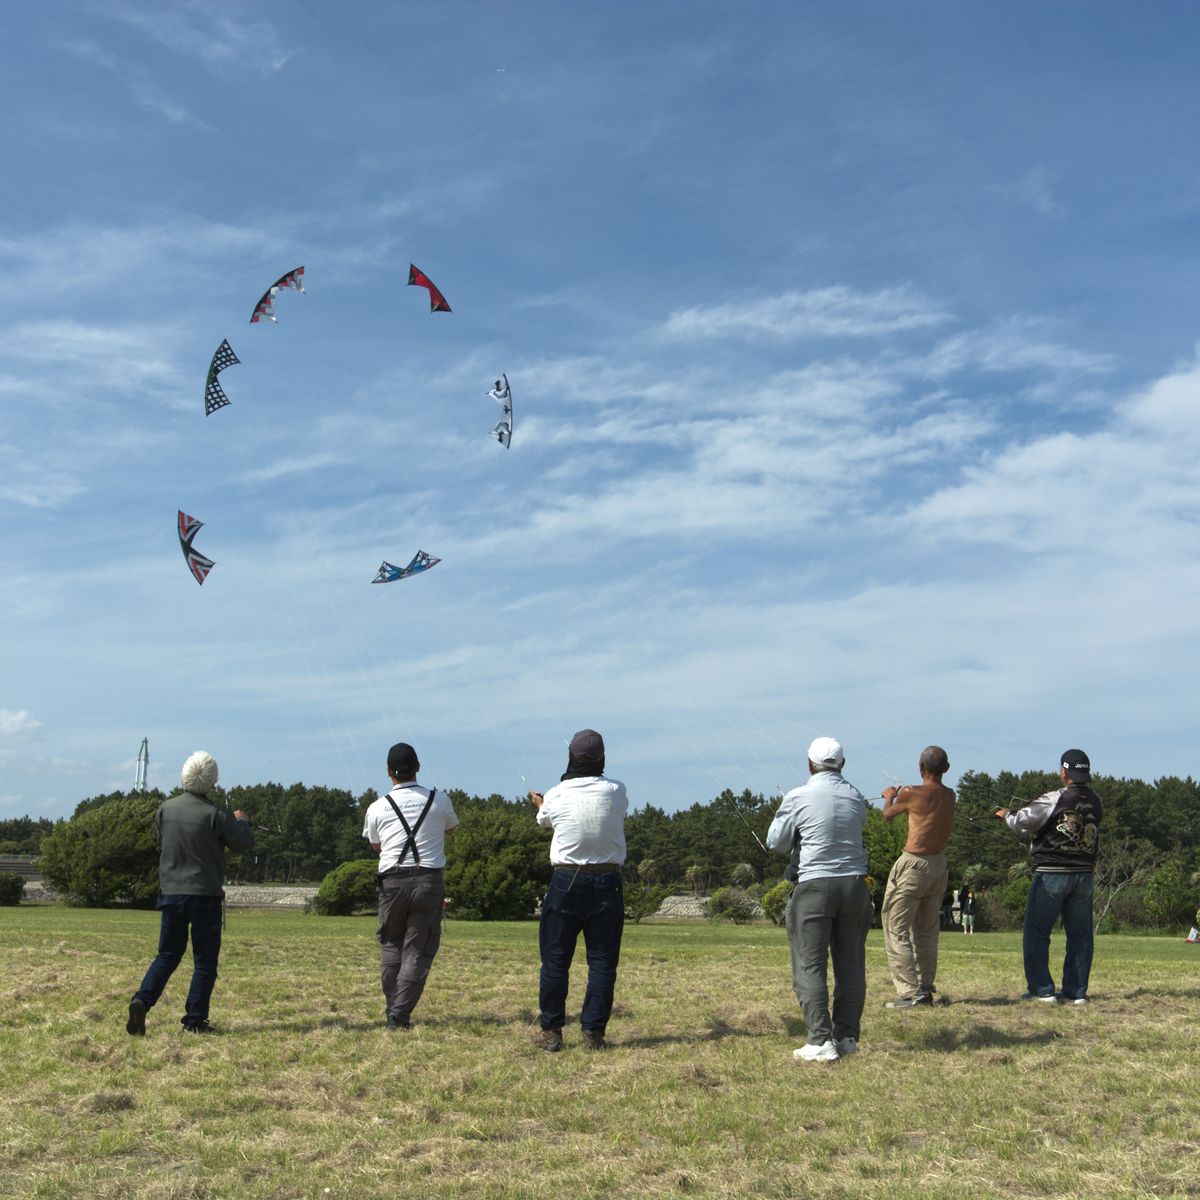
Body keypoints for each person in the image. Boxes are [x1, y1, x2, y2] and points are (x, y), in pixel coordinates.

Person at [126, 751, 254, 1036]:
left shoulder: (165, 809)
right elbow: (243, 844)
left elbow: (162, 840)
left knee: (167, 954)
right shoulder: (217, 814)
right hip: (205, 895)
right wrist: (242, 822)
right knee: (204, 962)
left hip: (171, 892)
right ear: (212, 782)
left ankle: (142, 1000)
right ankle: (194, 1020)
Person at [767, 736, 872, 1063]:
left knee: (810, 964)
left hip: (813, 884)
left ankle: (820, 1040)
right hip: (855, 886)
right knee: (851, 964)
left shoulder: (797, 796)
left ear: (809, 764)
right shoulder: (856, 796)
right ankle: (846, 1037)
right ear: (842, 763)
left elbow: (776, 842)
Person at [528, 729, 628, 1052]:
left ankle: (551, 1032)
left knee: (555, 960)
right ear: (602, 758)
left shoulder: (556, 794)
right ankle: (593, 1034)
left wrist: (541, 804)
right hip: (608, 881)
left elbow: (544, 820)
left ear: (571, 757)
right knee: (602, 962)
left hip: (565, 880)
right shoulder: (617, 791)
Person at [362, 742, 459, 1029]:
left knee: (391, 944)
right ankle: (400, 1013)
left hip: (391, 882)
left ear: (388, 772)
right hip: (428, 881)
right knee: (417, 947)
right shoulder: (439, 800)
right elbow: (451, 829)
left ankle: (393, 1007)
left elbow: (376, 845)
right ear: (418, 767)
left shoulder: (377, 807)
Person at [995, 749, 1101, 1004]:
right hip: (1083, 875)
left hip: (1052, 874)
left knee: (1037, 932)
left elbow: (1022, 822)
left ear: (1064, 772)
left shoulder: (1055, 797)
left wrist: (1006, 814)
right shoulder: (1097, 800)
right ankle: (1076, 993)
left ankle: (1042, 990)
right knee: (1080, 936)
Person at [879, 746, 956, 1007]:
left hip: (914, 864)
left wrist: (889, 797)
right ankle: (924, 986)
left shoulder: (910, 792)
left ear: (920, 767)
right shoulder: (951, 795)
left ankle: (910, 993)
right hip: (939, 865)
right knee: (926, 929)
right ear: (946, 769)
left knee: (896, 927)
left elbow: (888, 816)